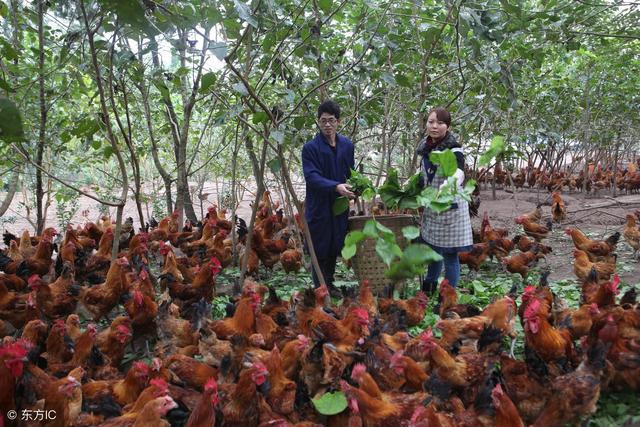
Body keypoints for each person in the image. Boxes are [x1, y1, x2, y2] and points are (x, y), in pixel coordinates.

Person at [416, 107, 473, 293]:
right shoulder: (425, 147)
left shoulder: (453, 147)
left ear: (447, 126)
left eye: (440, 123)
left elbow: (459, 170)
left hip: (450, 208)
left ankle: (448, 296)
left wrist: (451, 182)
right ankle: (429, 287)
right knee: (434, 249)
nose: (435, 126)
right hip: (433, 207)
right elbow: (425, 173)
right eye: (431, 122)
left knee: (450, 255)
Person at [302, 100, 355, 297]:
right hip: (319, 206)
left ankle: (330, 284)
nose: (327, 125)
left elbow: (350, 172)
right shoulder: (311, 148)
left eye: (331, 121)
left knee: (334, 245)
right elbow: (312, 176)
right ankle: (319, 288)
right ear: (318, 122)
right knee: (319, 247)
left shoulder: (347, 145)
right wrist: (335, 186)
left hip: (339, 206)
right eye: (323, 121)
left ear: (338, 122)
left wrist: (353, 188)